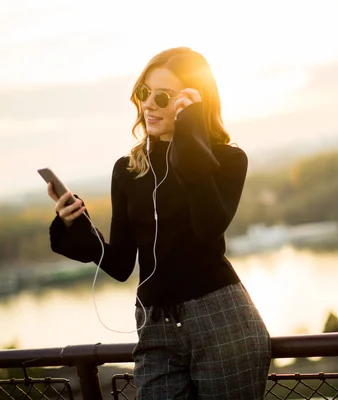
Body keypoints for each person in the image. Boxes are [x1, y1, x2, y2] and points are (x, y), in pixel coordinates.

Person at [46, 47, 272, 399]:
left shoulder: (226, 160)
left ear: (192, 102)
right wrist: (77, 225)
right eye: (143, 92)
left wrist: (190, 135)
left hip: (222, 322)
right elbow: (121, 263)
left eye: (162, 96)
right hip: (155, 329)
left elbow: (209, 226)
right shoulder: (127, 170)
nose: (149, 104)